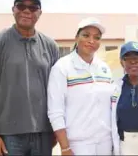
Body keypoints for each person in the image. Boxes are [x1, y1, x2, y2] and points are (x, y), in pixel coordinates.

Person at [0, 0, 59, 156]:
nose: (27, 11)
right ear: (13, 10)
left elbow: (56, 92)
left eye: (33, 7)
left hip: (43, 133)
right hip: (9, 134)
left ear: (40, 12)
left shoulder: (50, 46)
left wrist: (56, 130)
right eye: (21, 6)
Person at [47, 17, 114, 155]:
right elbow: (55, 111)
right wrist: (65, 147)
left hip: (105, 142)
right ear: (76, 37)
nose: (91, 41)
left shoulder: (104, 68)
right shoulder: (62, 67)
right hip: (78, 144)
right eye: (86, 35)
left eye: (97, 37)